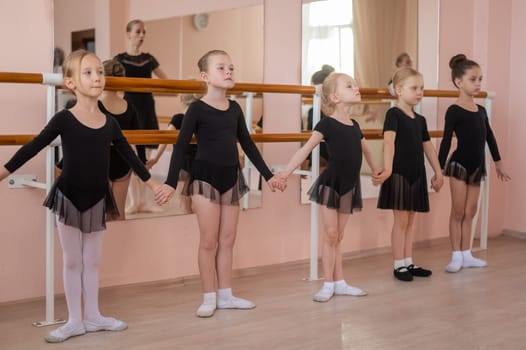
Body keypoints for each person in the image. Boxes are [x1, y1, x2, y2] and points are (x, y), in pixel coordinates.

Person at [0, 50, 159, 343]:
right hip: (69, 197)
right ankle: (74, 320)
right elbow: (33, 147)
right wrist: (3, 171)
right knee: (73, 261)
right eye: (88, 72)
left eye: (99, 71)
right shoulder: (64, 119)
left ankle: (94, 316)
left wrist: (153, 186)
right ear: (71, 83)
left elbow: (131, 157)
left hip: (98, 197)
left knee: (93, 261)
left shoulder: (110, 123)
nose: (97, 77)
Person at [155, 49, 286, 318]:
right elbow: (180, 147)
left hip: (230, 178)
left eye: (231, 68)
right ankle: (208, 296)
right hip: (204, 178)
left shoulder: (235, 109)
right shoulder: (197, 109)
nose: (229, 72)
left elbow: (247, 144)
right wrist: (169, 183)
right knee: (209, 241)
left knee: (228, 239)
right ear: (205, 76)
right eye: (221, 68)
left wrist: (268, 175)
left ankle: (226, 294)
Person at [278, 72, 380, 302]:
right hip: (330, 184)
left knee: (339, 235)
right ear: (335, 97)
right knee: (331, 234)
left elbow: (366, 150)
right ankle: (328, 283)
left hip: (349, 185)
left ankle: (340, 282)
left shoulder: (354, 125)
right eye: (349, 85)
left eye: (355, 84)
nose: (356, 87)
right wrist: (285, 173)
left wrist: (375, 170)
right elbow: (305, 149)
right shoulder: (327, 124)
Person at [438, 54, 510, 273]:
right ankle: (455, 255)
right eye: (473, 79)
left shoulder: (481, 111)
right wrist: (440, 169)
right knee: (458, 210)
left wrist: (498, 163)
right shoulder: (454, 110)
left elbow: (490, 136)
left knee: (470, 211)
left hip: (478, 166)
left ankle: (467, 254)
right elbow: (446, 139)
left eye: (480, 79)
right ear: (459, 82)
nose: (478, 83)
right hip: (459, 165)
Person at [374, 67, 444, 282]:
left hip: (417, 174)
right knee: (401, 220)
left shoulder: (420, 120)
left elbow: (428, 148)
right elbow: (388, 142)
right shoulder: (393, 114)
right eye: (414, 88)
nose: (419, 92)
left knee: (411, 220)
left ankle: (408, 261)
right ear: (399, 89)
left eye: (422, 88)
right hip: (399, 175)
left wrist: (439, 172)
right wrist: (387, 169)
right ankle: (398, 264)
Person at [114, 19, 167, 215]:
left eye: (143, 32)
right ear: (128, 34)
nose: (141, 36)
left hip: (146, 108)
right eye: (137, 32)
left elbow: (166, 81)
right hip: (128, 109)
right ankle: (135, 201)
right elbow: (111, 83)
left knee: (144, 157)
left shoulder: (149, 59)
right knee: (132, 155)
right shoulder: (119, 59)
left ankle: (143, 202)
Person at [99, 59, 146, 220]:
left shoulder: (96, 105)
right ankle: (120, 245)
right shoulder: (129, 106)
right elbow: (139, 137)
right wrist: (143, 162)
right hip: (123, 162)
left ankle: (107, 245)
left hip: (101, 161)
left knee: (103, 215)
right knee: (119, 214)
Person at [147, 93, 201, 212]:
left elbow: (166, 138)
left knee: (185, 205)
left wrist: (155, 158)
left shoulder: (178, 118)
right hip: (200, 164)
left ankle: (187, 228)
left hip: (183, 166)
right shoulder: (201, 119)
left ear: (181, 98)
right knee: (199, 205)